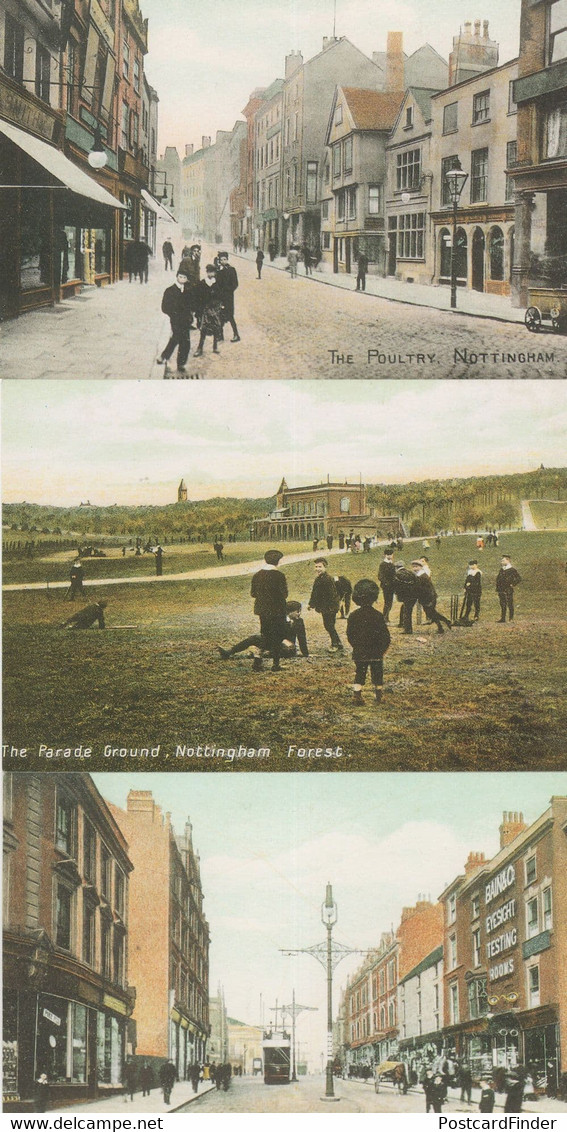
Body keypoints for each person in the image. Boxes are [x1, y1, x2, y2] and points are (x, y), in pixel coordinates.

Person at [346, 578, 390, 705]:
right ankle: (379, 695)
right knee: (377, 674)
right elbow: (385, 635)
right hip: (376, 652)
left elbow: (350, 635)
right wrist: (382, 650)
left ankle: (357, 695)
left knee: (360, 672)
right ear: (374, 597)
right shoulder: (378, 615)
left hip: (360, 651)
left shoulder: (353, 615)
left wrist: (356, 646)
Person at [249, 549, 288, 672]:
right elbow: (284, 594)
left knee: (264, 635)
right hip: (277, 610)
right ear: (278, 561)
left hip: (263, 610)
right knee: (277, 635)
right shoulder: (280, 576)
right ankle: (276, 664)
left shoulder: (257, 575)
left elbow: (253, 593)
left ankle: (257, 660)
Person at [157, 269, 194, 372]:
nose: (182, 279)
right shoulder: (169, 291)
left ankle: (181, 363)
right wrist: (173, 314)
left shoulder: (187, 291)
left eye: (184, 277)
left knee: (185, 342)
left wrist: (190, 315)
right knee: (177, 337)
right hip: (176, 320)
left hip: (185, 320)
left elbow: (190, 305)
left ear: (187, 280)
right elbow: (164, 307)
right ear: (177, 277)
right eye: (180, 276)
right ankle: (164, 356)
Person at [308, 558, 342, 651]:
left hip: (330, 607)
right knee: (329, 625)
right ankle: (338, 643)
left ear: (325, 567)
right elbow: (315, 593)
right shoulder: (319, 579)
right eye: (316, 567)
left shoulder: (327, 579)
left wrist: (329, 607)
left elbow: (332, 595)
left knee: (329, 625)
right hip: (325, 606)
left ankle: (335, 644)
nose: (318, 569)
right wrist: (311, 604)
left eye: (320, 567)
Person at [411, 560, 452, 633]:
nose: (415, 568)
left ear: (421, 567)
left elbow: (427, 589)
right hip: (425, 598)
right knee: (431, 613)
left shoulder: (423, 576)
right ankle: (441, 626)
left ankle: (445, 622)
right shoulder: (418, 575)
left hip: (429, 598)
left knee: (431, 613)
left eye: (416, 567)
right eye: (413, 567)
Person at [193, 265, 224, 356]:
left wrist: (220, 306)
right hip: (205, 309)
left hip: (215, 309)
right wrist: (198, 310)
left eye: (212, 272)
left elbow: (221, 295)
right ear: (207, 272)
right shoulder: (202, 283)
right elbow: (197, 296)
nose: (211, 274)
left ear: (215, 273)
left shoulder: (217, 283)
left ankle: (215, 347)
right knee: (204, 328)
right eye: (209, 272)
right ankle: (200, 348)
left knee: (215, 327)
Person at [216, 251, 240, 341]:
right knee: (220, 315)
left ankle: (236, 334)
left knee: (230, 316)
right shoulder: (218, 271)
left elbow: (235, 284)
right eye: (221, 260)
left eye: (225, 259)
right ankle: (220, 335)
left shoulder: (231, 270)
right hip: (220, 297)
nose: (223, 261)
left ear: (227, 259)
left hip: (228, 297)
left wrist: (228, 290)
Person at [393, 560, 419, 634]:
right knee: (407, 610)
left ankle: (408, 630)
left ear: (396, 567)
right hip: (414, 595)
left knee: (407, 612)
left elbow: (397, 586)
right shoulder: (411, 572)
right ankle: (404, 625)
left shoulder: (398, 574)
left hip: (406, 596)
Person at [496, 555, 521, 622]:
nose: (502, 562)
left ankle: (511, 618)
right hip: (501, 589)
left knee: (510, 603)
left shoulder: (512, 570)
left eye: (503, 560)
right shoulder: (502, 569)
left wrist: (513, 584)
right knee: (502, 604)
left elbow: (519, 578)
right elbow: (498, 579)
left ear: (508, 560)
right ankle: (503, 618)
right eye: (502, 561)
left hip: (508, 589)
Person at [378, 550, 396, 623]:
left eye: (391, 554)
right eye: (388, 555)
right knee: (387, 602)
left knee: (390, 602)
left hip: (392, 586)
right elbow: (380, 576)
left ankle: (386, 617)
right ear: (385, 555)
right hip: (386, 586)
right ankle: (384, 618)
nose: (389, 556)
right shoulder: (383, 564)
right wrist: (386, 583)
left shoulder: (392, 564)